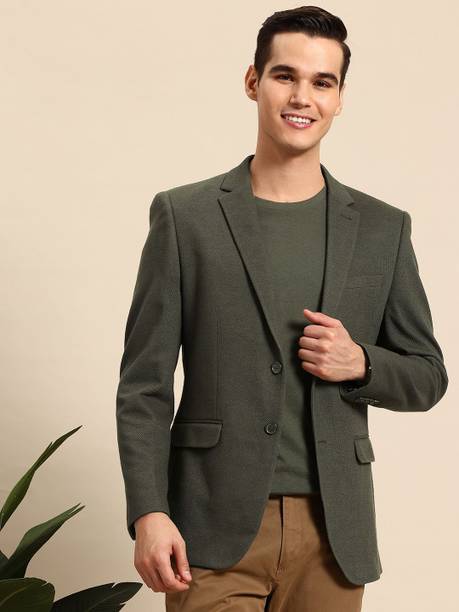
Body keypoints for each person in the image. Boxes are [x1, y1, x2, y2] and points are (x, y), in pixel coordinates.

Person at [115, 6, 448, 611]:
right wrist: (149, 511)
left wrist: (361, 363)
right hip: (211, 525)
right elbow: (144, 384)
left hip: (334, 532)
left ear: (340, 98)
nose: (302, 97)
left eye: (322, 82)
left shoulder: (383, 229)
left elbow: (428, 375)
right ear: (253, 81)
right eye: (284, 75)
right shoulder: (185, 217)